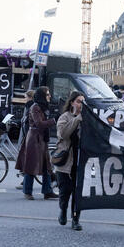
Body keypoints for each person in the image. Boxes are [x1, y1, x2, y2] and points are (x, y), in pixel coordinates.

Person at [16, 87, 58, 201]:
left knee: (47, 166)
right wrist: (54, 121)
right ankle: (27, 191)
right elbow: (39, 123)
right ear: (42, 96)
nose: (49, 96)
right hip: (34, 140)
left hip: (41, 139)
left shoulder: (43, 106)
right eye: (47, 94)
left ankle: (47, 191)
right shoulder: (35, 107)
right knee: (31, 166)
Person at [55, 91, 84, 231]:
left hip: (80, 161)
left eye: (83, 102)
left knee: (78, 193)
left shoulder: (86, 118)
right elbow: (64, 134)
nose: (80, 104)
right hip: (66, 161)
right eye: (78, 101)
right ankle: (63, 210)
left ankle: (75, 219)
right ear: (72, 102)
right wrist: (77, 118)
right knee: (65, 191)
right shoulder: (64, 117)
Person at [16, 90, 35, 190]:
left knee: (29, 161)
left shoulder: (31, 107)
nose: (25, 99)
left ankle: (25, 183)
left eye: (26, 97)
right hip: (28, 137)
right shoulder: (29, 107)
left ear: (30, 97)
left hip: (31, 138)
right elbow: (25, 120)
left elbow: (30, 122)